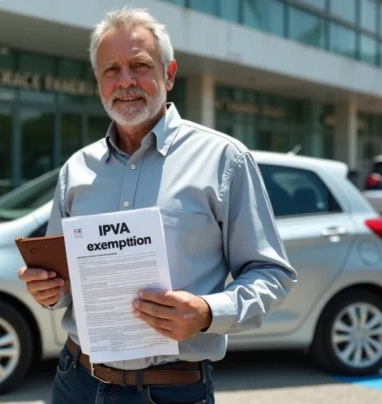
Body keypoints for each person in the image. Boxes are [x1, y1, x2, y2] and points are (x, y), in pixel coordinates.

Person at [17, 6, 298, 404]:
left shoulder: (224, 160)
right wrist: (49, 289)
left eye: (140, 65)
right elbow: (63, 287)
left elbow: (272, 274)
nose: (125, 81)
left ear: (169, 74)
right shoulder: (76, 170)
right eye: (111, 70)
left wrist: (206, 312)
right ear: (98, 81)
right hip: (75, 380)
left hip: (173, 390)